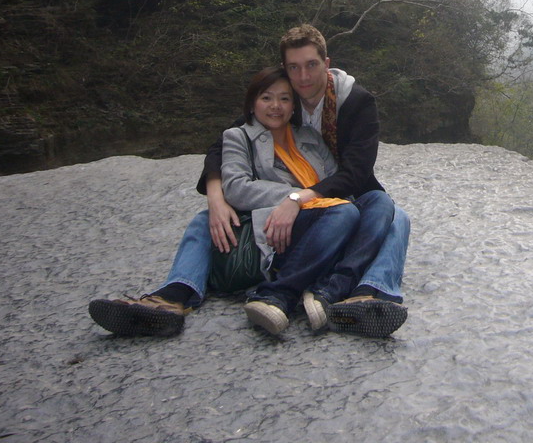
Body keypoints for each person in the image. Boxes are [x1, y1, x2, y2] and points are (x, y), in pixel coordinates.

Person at [88, 67, 360, 337]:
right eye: (266, 98)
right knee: (204, 220)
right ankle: (173, 297)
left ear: (293, 107)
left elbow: (334, 182)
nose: (275, 106)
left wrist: (302, 198)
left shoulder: (310, 138)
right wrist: (297, 197)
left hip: (314, 220)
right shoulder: (238, 137)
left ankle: (283, 290)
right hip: (275, 224)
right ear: (252, 104)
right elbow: (238, 188)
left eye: (285, 99)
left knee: (344, 213)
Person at [200, 24, 410, 338]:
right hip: (316, 202)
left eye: (311, 65)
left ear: (326, 64)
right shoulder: (284, 98)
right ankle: (334, 291)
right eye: (294, 68)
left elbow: (357, 172)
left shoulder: (356, 101)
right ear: (285, 69)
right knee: (387, 219)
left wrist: (298, 198)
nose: (303, 77)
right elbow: (229, 140)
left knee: (390, 211)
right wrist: (216, 196)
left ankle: (360, 293)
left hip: (346, 189)